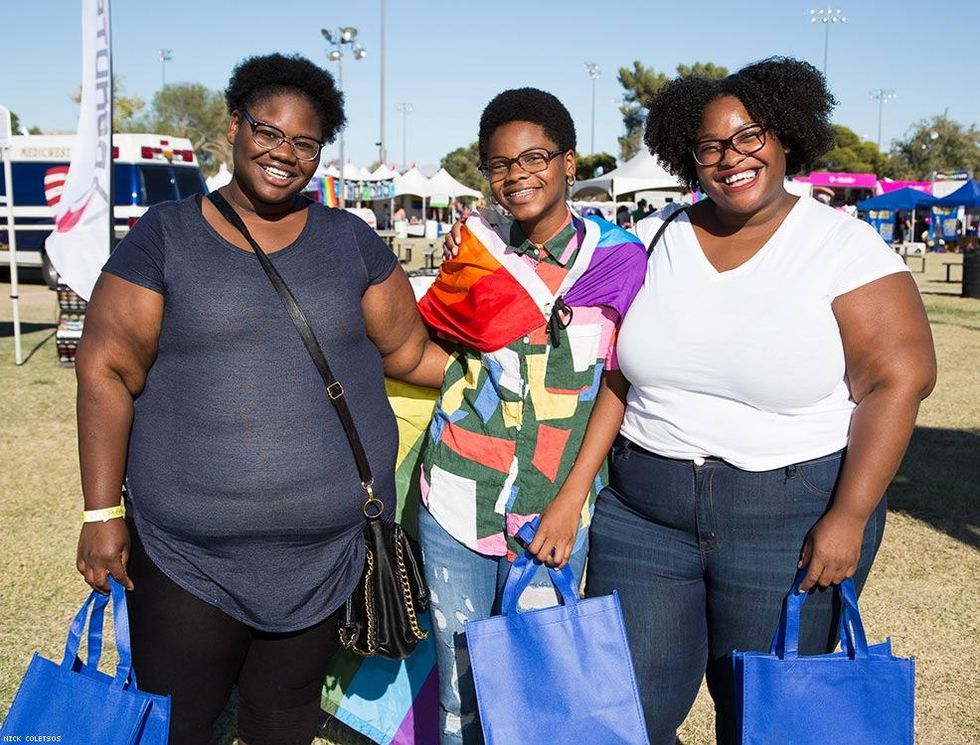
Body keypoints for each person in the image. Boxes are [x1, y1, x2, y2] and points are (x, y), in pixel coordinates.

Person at [74, 53, 447, 745]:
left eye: (305, 143)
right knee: (178, 725)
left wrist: (504, 366)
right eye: (268, 131)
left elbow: (410, 354)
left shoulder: (351, 243)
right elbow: (106, 371)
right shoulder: (166, 234)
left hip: (324, 555)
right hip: (190, 555)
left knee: (284, 721)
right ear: (234, 125)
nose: (285, 154)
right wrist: (102, 512)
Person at [580, 57, 937, 744]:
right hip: (644, 515)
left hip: (789, 516)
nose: (730, 157)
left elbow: (899, 380)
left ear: (785, 139)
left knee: (768, 720)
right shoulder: (658, 236)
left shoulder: (841, 247)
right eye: (709, 145)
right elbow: (577, 303)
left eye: (749, 136)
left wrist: (850, 516)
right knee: (623, 712)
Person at [417, 87, 648, 744]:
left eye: (534, 157)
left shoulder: (618, 259)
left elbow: (619, 380)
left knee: (541, 692)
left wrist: (572, 500)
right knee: (459, 694)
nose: (516, 175)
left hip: (555, 505)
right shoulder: (478, 249)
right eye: (499, 164)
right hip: (458, 498)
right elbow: (436, 352)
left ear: (569, 162)